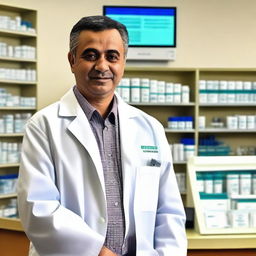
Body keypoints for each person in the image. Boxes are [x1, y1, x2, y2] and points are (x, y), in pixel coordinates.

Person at [17, 16, 187, 256]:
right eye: (91, 55)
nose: (102, 66)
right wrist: (98, 252)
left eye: (112, 56)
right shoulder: (43, 125)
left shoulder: (149, 128)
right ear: (72, 60)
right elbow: (38, 207)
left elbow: (168, 211)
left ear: (123, 62)